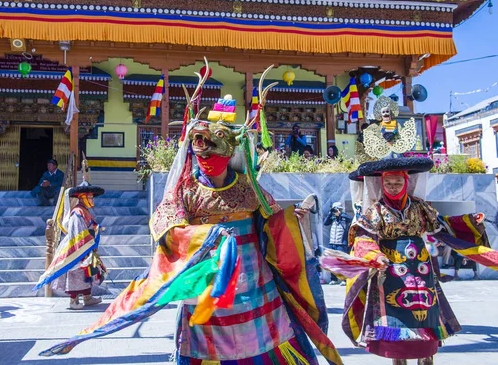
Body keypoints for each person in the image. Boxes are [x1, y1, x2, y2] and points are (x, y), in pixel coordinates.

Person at [39, 64, 342, 364]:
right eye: (201, 152)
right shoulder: (184, 191)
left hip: (256, 290)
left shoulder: (250, 189)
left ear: (229, 153)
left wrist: (294, 219)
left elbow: (274, 227)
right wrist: (205, 237)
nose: (207, 157)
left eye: (215, 150)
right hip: (206, 288)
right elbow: (165, 228)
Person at [340, 157, 498, 365]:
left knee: (426, 310)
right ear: (381, 184)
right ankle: (398, 358)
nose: (393, 188)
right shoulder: (376, 210)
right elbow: (363, 237)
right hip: (390, 271)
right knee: (397, 314)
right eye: (388, 184)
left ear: (406, 183)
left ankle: (426, 356)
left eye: (397, 183)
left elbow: (441, 227)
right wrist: (375, 256)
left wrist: (467, 221)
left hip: (420, 269)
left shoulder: (420, 207)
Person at [34, 179, 106, 310]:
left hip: (86, 244)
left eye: (91, 197)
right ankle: (73, 301)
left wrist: (96, 229)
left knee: (86, 273)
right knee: (76, 273)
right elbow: (77, 231)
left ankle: (87, 297)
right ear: (82, 198)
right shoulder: (77, 212)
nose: (92, 199)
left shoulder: (84, 210)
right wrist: (85, 244)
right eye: (89, 197)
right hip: (78, 246)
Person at [324, 202, 352, 286]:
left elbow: (350, 219)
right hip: (332, 243)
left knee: (342, 262)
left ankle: (344, 280)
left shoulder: (344, 217)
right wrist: (330, 214)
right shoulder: (332, 218)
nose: (335, 211)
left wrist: (341, 214)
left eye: (337, 209)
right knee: (332, 262)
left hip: (341, 244)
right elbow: (325, 223)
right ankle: (334, 279)